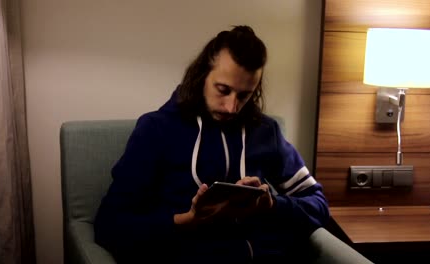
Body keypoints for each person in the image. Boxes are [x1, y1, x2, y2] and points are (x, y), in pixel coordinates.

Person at [94, 25, 330, 263]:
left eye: (244, 95)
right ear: (202, 75)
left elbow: (318, 205)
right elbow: (109, 225)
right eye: (223, 90)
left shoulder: (266, 132)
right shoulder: (156, 130)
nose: (232, 107)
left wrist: (271, 206)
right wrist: (185, 220)